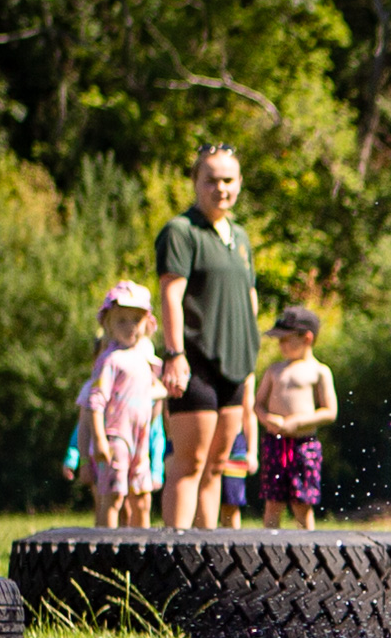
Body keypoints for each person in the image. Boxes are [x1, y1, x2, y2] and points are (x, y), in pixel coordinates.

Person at [156, 143, 259, 529]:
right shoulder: (181, 231)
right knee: (189, 464)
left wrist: (249, 361)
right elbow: (171, 295)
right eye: (211, 180)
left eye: (228, 180)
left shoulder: (240, 236)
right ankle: (174, 561)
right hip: (194, 362)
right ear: (195, 182)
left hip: (235, 366)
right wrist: (174, 354)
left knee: (217, 465)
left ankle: (207, 565)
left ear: (239, 183)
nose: (221, 188)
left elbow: (249, 298)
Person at [81, 282, 167, 528]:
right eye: (121, 321)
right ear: (108, 323)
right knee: (113, 495)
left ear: (146, 323)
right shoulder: (110, 360)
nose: (130, 327)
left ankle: (143, 552)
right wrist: (98, 439)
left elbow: (154, 397)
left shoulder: (145, 358)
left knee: (142, 498)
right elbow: (95, 401)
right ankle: (106, 550)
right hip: (116, 437)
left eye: (135, 320)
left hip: (140, 437)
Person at [253, 307, 335, 529]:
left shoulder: (319, 371)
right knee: (273, 502)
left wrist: (299, 422)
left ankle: (308, 553)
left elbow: (330, 411)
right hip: (275, 443)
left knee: (302, 502)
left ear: (307, 338)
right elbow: (257, 404)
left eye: (285, 340)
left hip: (303, 445)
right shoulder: (275, 370)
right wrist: (267, 419)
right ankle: (268, 552)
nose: (280, 345)